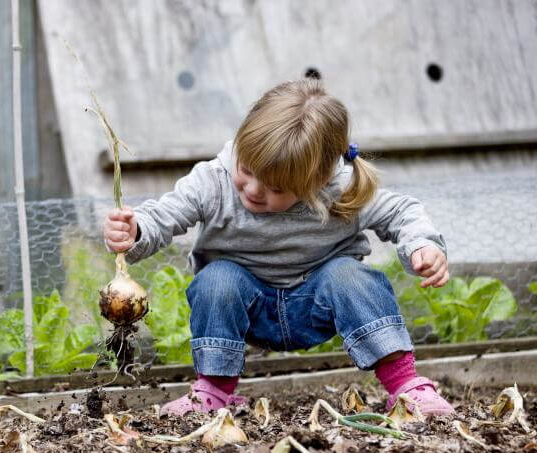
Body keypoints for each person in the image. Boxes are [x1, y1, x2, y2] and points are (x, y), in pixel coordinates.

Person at [102, 79, 454, 417]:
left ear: (315, 182)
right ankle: (213, 392)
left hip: (318, 305)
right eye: (246, 169)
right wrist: (136, 231)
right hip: (247, 308)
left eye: (275, 188)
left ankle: (407, 387)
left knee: (351, 276)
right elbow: (164, 215)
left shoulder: (342, 189)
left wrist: (421, 245)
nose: (253, 189)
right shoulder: (214, 181)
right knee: (218, 279)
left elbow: (401, 211)